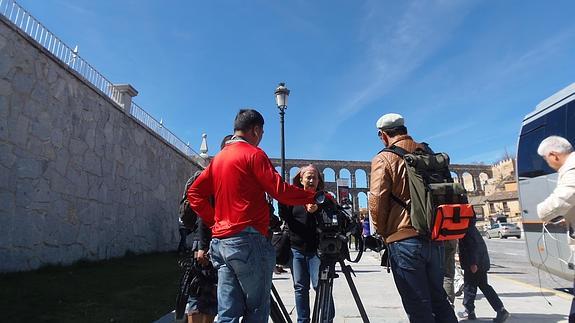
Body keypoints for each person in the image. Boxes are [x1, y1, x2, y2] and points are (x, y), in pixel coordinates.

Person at [187, 109, 318, 323]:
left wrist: (215, 221)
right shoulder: (254, 154)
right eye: (262, 133)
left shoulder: (219, 159)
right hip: (249, 239)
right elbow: (280, 190)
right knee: (256, 310)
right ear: (255, 130)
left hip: (222, 242)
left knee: (227, 313)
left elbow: (195, 193)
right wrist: (311, 196)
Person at [369, 112, 457, 322]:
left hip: (403, 239)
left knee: (418, 306)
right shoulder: (428, 152)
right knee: (439, 299)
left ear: (383, 135)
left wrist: (382, 232)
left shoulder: (384, 158)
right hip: (434, 236)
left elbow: (376, 201)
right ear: (405, 130)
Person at [281, 164, 335, 323]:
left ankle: (326, 320)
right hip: (296, 249)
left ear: (319, 181)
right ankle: (302, 320)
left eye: (314, 177)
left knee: (321, 286)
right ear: (301, 179)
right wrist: (283, 198)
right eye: (308, 177)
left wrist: (318, 210)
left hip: (318, 250)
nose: (311, 180)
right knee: (300, 288)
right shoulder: (293, 198)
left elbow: (333, 220)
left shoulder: (325, 199)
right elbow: (285, 217)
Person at [536, 135, 575, 321]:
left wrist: (541, 212)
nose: (547, 163)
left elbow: (562, 199)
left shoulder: (572, 168)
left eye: (546, 159)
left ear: (554, 155)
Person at [458, 218, 509, 322]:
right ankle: (500, 309)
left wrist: (473, 263)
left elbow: (473, 247)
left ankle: (469, 310)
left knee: (469, 287)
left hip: (475, 264)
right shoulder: (471, 229)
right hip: (480, 263)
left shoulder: (467, 230)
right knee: (483, 286)